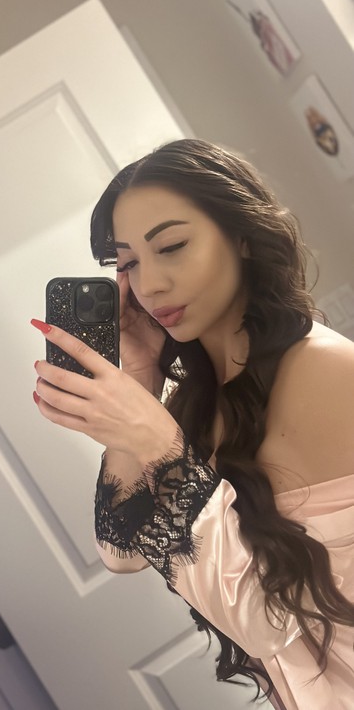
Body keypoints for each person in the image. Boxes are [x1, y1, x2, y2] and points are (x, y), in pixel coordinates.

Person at [31, 138, 354, 709]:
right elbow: (121, 551)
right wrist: (140, 380)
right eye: (127, 264)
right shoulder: (196, 398)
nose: (149, 285)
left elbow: (268, 620)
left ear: (243, 236)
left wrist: (156, 441)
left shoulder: (327, 373)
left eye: (172, 247)